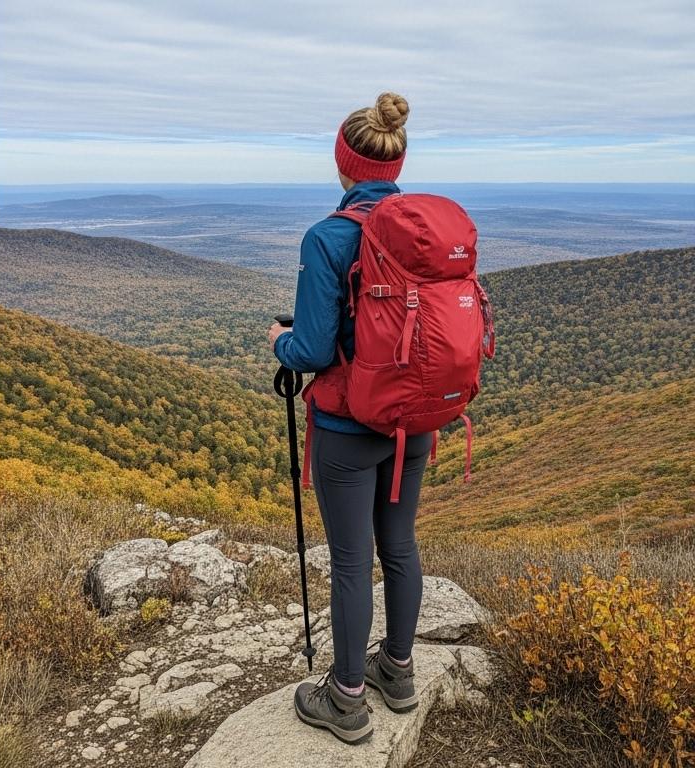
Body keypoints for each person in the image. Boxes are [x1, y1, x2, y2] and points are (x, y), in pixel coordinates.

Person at [269, 92, 428, 744]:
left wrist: (281, 339)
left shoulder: (330, 235)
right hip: (416, 418)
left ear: (343, 164)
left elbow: (309, 349)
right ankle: (398, 670)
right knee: (399, 545)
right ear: (395, 164)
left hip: (346, 427)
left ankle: (347, 699)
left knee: (351, 561)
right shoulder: (421, 227)